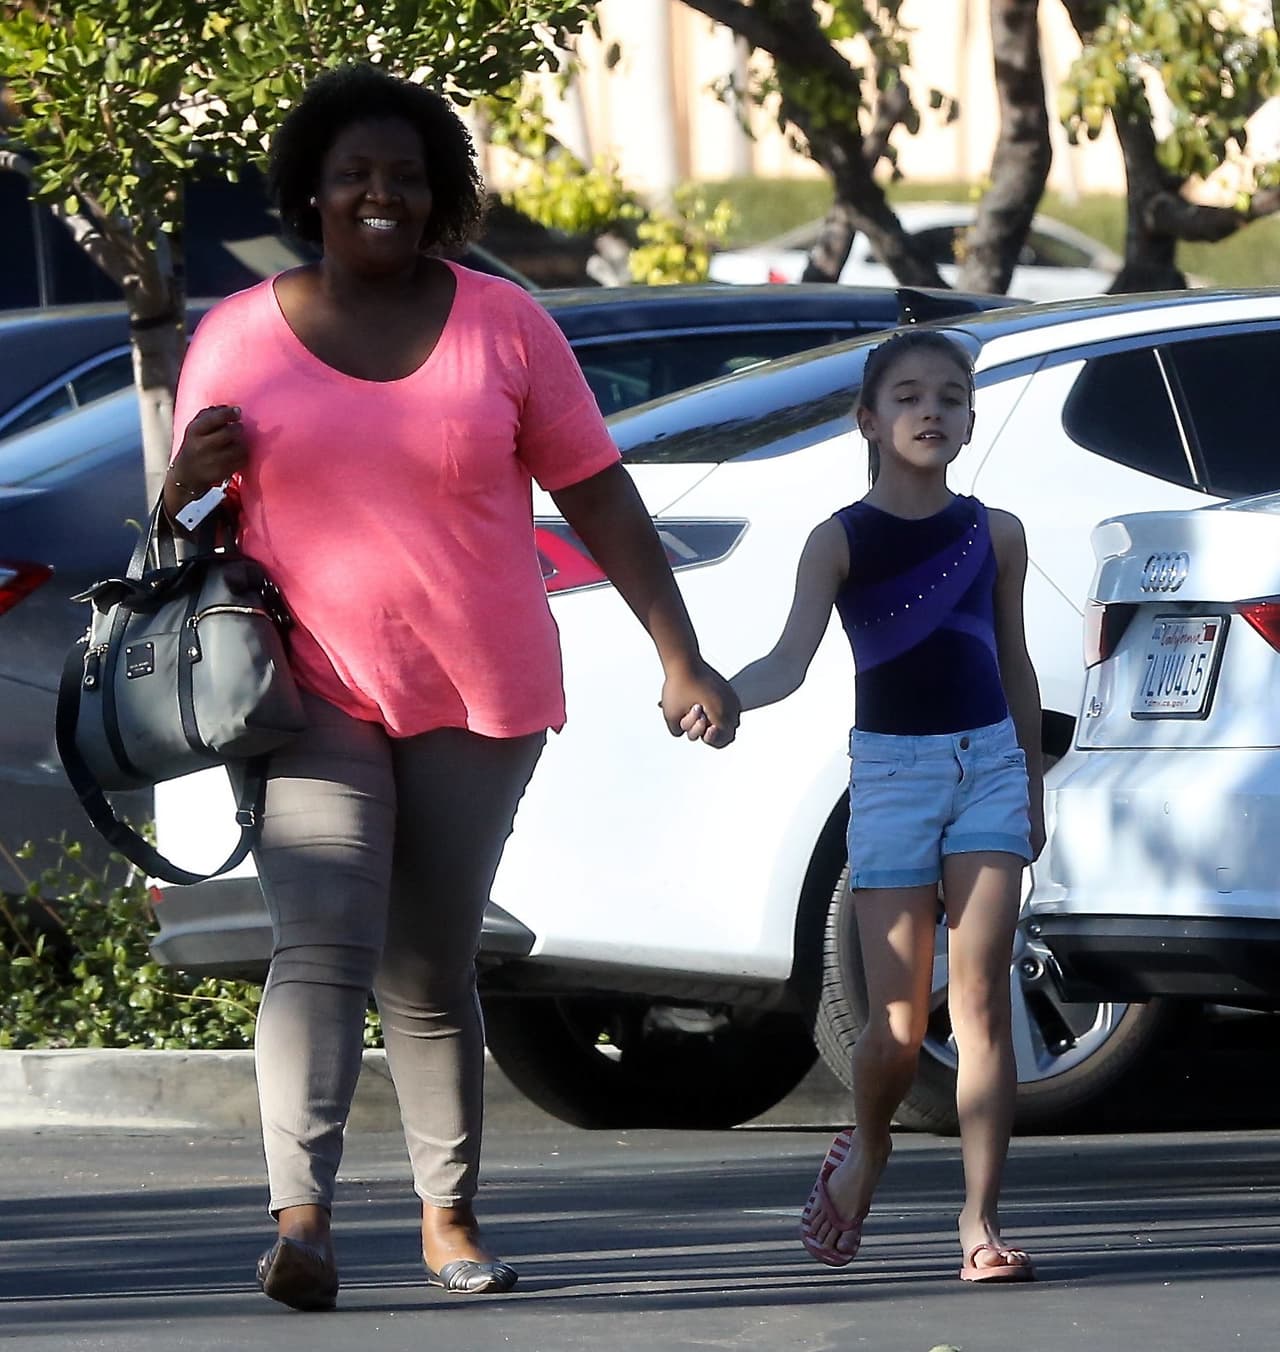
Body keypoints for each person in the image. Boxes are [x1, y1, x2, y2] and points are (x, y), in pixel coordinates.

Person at [163, 63, 739, 1312]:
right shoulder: (237, 336)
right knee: (322, 937)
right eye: (355, 174)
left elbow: (597, 491)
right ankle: (302, 1220)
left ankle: (448, 1211)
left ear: (439, 196)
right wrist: (184, 484)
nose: (381, 194)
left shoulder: (503, 324)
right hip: (302, 685)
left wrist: (677, 649)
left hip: (477, 686)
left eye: (407, 177)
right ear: (310, 191)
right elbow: (184, 530)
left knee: (426, 963)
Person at [717, 329, 1044, 1283]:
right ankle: (868, 1144)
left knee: (980, 1004)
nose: (930, 410)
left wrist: (1029, 782)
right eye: (907, 396)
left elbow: (1016, 665)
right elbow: (788, 660)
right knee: (897, 1029)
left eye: (950, 396)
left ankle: (980, 1222)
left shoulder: (997, 533)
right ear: (867, 419)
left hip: (987, 768)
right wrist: (722, 696)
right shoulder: (840, 540)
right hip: (893, 777)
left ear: (971, 420)